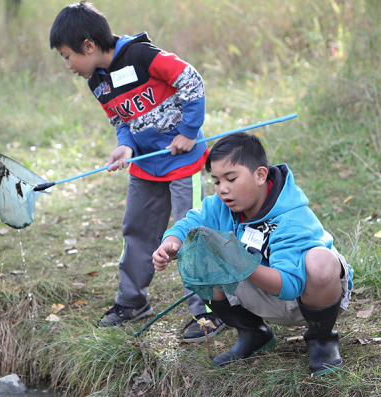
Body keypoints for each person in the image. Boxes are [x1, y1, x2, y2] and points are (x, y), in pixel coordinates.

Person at [49, 1, 224, 340]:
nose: (69, 65)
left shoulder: (143, 56)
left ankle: (209, 311)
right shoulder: (96, 83)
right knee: (136, 231)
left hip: (183, 163)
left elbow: (191, 80)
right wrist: (125, 146)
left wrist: (189, 131)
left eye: (68, 56)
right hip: (145, 167)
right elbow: (120, 120)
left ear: (89, 46)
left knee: (191, 234)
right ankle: (131, 302)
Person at [152, 132, 353, 375]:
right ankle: (253, 333)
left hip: (307, 296)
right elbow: (188, 224)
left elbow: (289, 285)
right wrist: (171, 243)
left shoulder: (292, 216)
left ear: (260, 175)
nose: (223, 189)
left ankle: (322, 339)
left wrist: (237, 261)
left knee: (320, 260)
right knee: (196, 251)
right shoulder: (222, 205)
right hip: (257, 295)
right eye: (216, 181)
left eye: (231, 178)